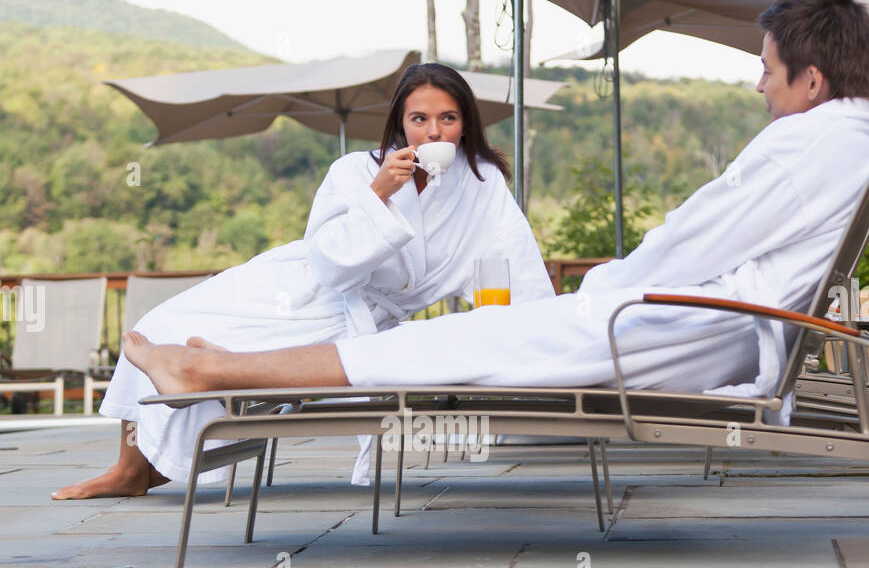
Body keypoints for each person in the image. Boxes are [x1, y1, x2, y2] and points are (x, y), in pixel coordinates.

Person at [119, 0, 869, 413]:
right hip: (700, 323)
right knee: (448, 342)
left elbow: (696, 240)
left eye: (767, 71)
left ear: (811, 80)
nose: (758, 85)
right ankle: (224, 366)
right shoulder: (843, 137)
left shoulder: (807, 142)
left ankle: (215, 372)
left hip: (663, 327)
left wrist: (603, 286)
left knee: (439, 346)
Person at [52, 63, 554, 499]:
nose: (433, 133)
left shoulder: (483, 187)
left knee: (207, 345)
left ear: (465, 124)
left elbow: (514, 265)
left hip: (362, 318)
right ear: (400, 124)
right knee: (158, 321)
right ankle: (129, 468)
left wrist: (536, 342)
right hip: (303, 285)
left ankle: (204, 375)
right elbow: (331, 263)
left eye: (447, 118)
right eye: (419, 119)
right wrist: (377, 194)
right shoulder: (357, 170)